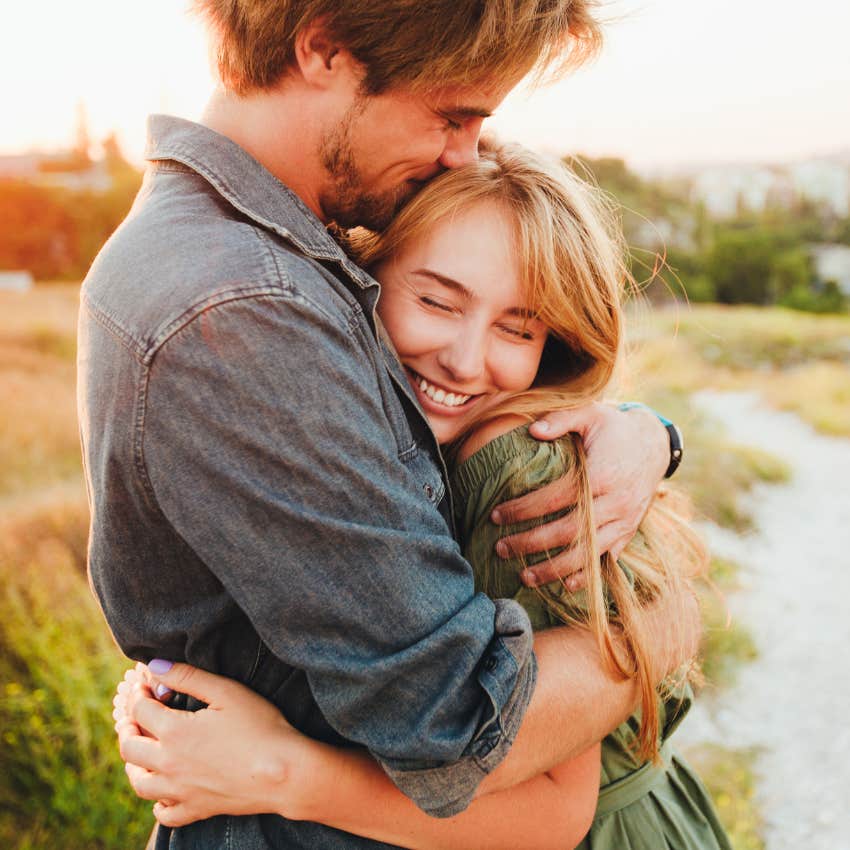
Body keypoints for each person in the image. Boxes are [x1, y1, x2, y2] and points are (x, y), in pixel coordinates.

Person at [78, 3, 695, 847]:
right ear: (323, 45)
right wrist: (656, 627)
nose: (464, 151)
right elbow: (457, 717)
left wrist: (646, 432)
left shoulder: (254, 251)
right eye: (452, 115)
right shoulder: (248, 302)